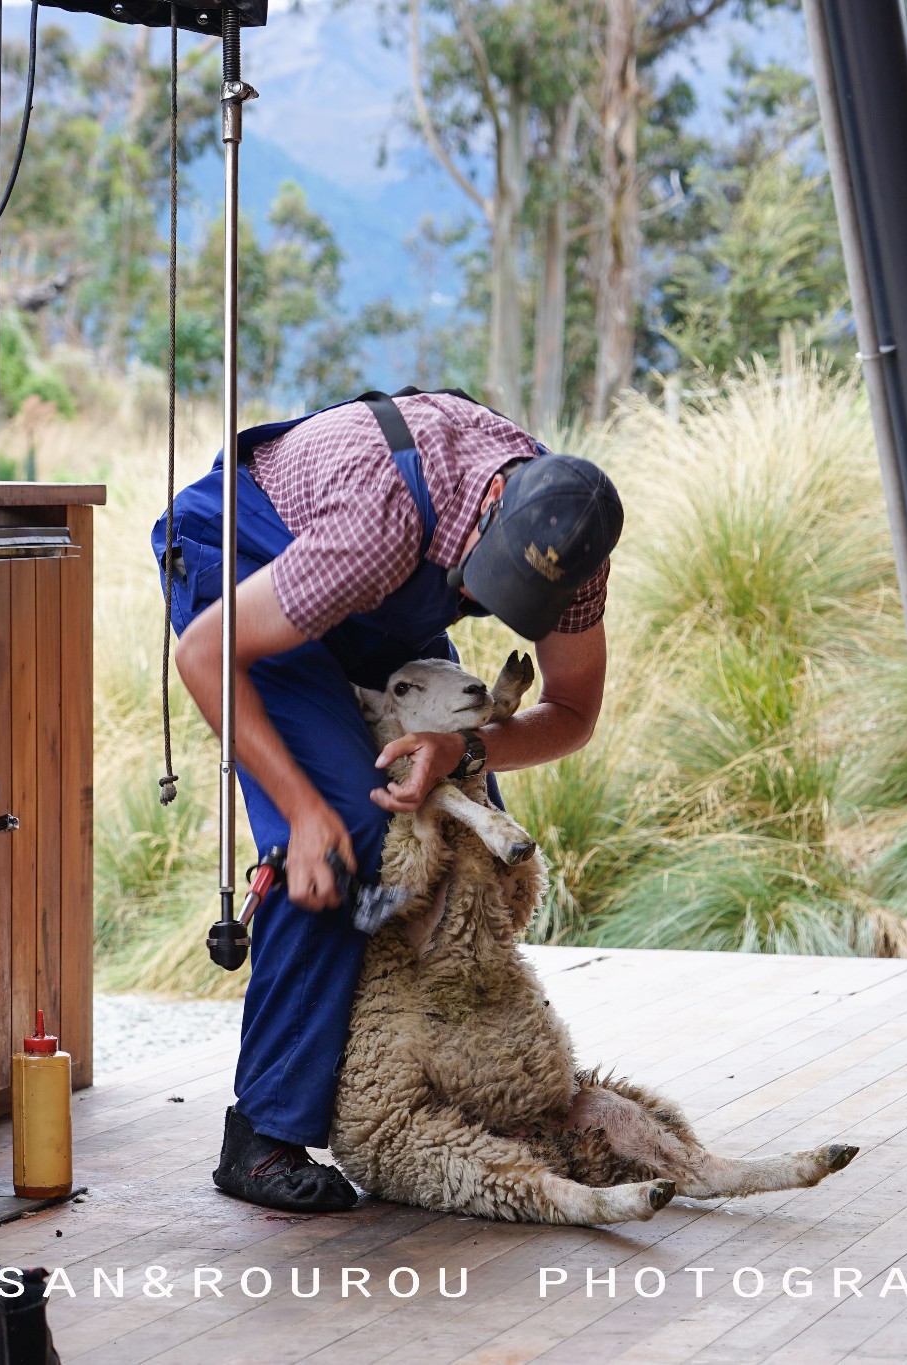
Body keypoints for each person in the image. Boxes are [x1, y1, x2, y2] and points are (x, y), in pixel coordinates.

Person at [154, 388, 623, 1213]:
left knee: (458, 835)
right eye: (484, 590)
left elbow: (573, 710)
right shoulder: (385, 519)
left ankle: (444, 1083)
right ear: (485, 517)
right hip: (251, 560)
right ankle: (263, 1130)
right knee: (359, 822)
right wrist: (300, 811)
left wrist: (464, 747)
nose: (480, 611)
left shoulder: (572, 539)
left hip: (366, 597)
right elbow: (205, 654)